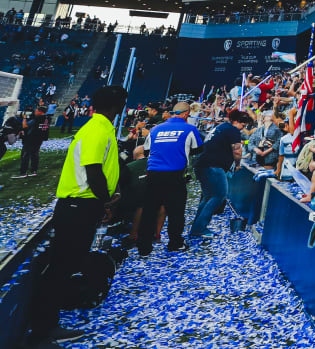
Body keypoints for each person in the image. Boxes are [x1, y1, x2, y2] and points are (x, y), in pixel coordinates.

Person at [26, 85, 128, 347]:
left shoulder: (100, 127)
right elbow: (92, 170)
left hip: (82, 206)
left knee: (64, 267)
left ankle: (45, 324)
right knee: (60, 269)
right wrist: (106, 199)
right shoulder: (97, 129)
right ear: (117, 106)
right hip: (78, 207)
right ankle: (43, 329)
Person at [137, 100, 203, 255]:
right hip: (175, 175)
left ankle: (144, 247)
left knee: (149, 211)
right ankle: (174, 243)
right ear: (187, 114)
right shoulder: (190, 128)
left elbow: (146, 151)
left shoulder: (156, 129)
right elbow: (198, 149)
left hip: (153, 173)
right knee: (176, 212)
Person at [188, 109, 253, 244]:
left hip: (202, 164)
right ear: (237, 121)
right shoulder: (232, 130)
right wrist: (237, 164)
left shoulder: (221, 127)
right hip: (213, 166)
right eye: (243, 125)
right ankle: (199, 228)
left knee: (208, 196)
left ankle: (197, 227)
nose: (243, 128)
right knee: (219, 195)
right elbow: (237, 150)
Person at [17, 107, 49, 178]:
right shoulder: (47, 118)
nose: (35, 112)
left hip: (31, 139)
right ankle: (34, 171)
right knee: (35, 155)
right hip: (39, 139)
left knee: (25, 155)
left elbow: (25, 126)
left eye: (36, 110)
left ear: (40, 112)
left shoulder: (37, 119)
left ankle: (23, 173)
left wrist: (24, 118)